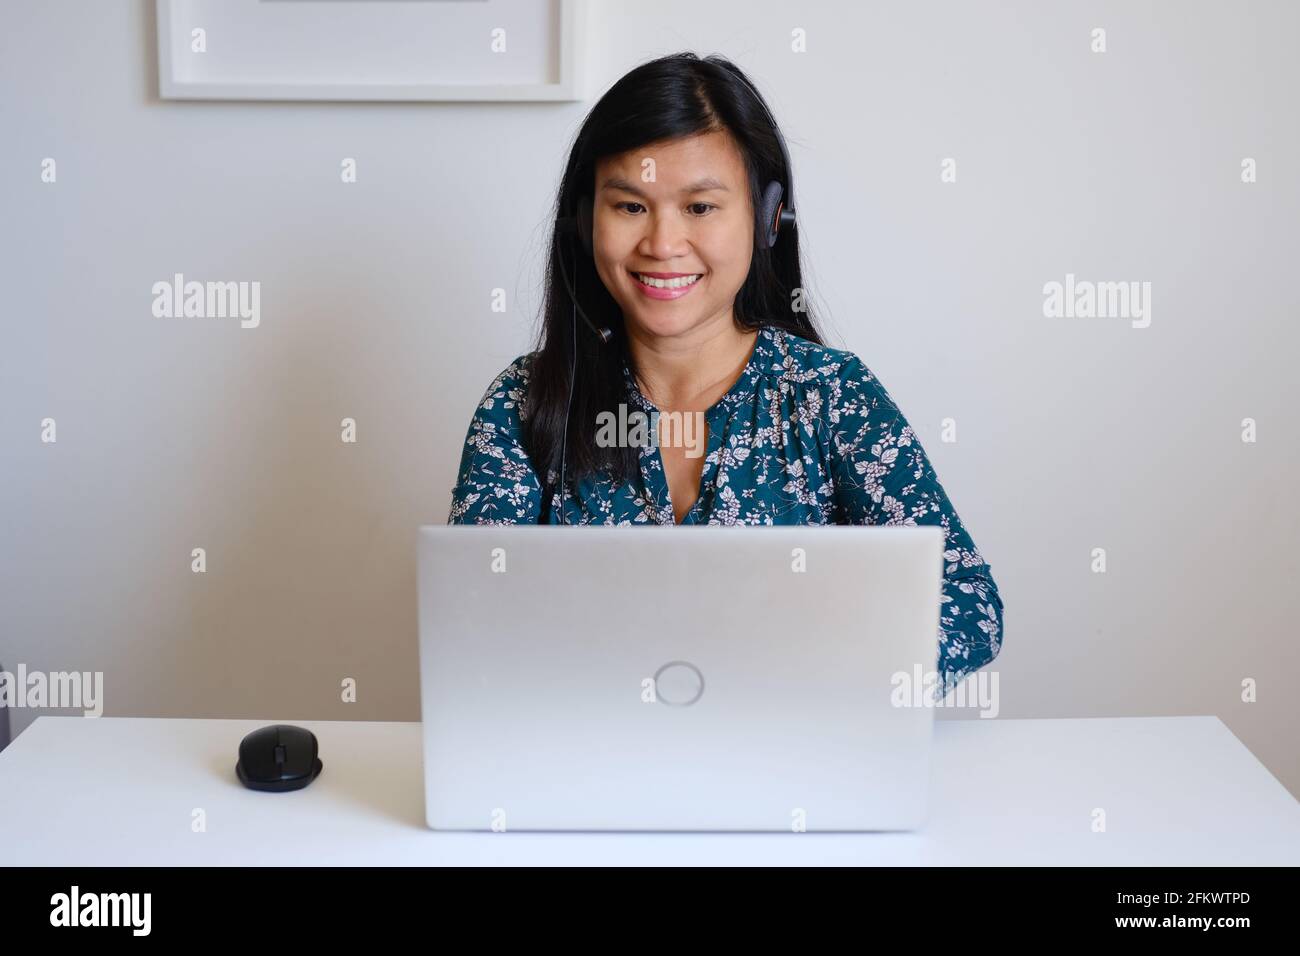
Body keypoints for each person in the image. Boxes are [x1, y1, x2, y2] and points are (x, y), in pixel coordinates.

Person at [447, 52, 1003, 697]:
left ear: (768, 218)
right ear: (583, 220)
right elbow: (472, 619)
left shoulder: (830, 393)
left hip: (791, 760)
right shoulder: (523, 402)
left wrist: (814, 675)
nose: (662, 243)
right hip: (586, 765)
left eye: (701, 207)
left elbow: (967, 603)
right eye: (630, 206)